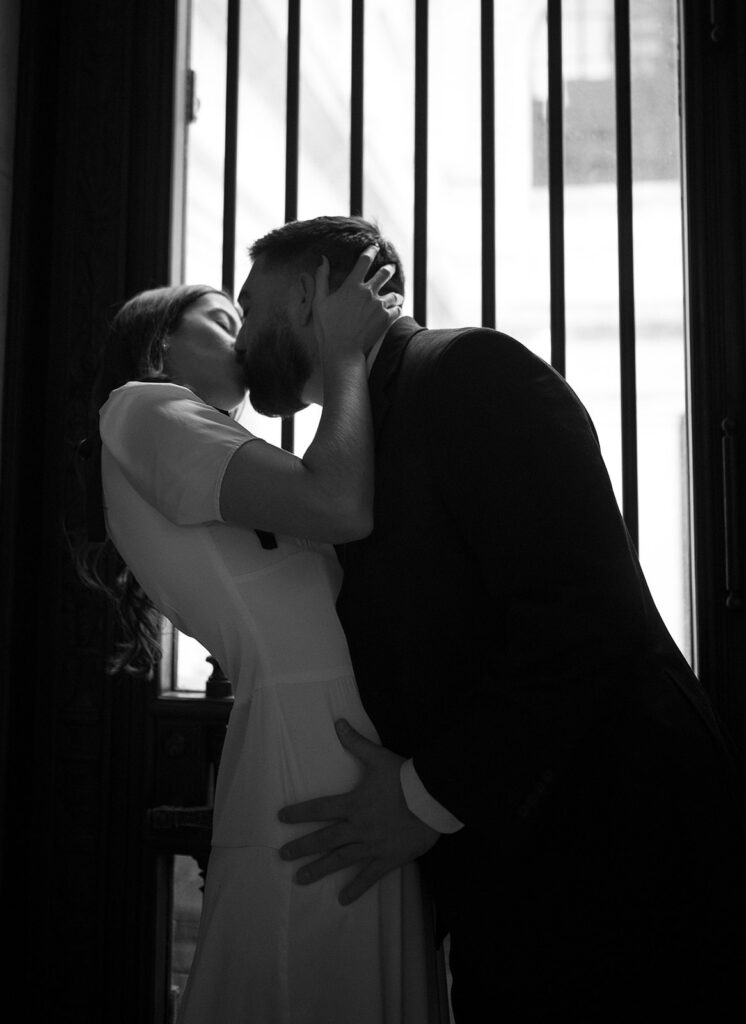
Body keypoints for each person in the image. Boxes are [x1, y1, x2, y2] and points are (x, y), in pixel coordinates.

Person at [235, 214, 746, 1021]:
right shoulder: (356, 437)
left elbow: (579, 615)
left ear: (307, 293)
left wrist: (420, 798)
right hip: (521, 870)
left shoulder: (469, 371)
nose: (240, 333)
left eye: (250, 301)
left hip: (618, 846)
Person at [77, 255, 450, 1023]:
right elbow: (342, 506)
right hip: (304, 746)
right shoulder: (142, 407)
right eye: (222, 317)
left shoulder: (208, 442)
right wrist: (344, 352)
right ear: (159, 347)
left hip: (338, 743)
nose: (245, 332)